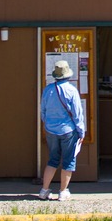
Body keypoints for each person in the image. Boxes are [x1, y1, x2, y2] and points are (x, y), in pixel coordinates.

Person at [38, 59, 85, 201]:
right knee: (69, 161)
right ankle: (63, 192)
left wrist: (48, 124)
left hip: (51, 130)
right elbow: (77, 114)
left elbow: (43, 111)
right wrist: (81, 131)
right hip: (68, 131)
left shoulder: (48, 90)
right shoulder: (72, 90)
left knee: (52, 160)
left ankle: (44, 190)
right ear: (68, 75)